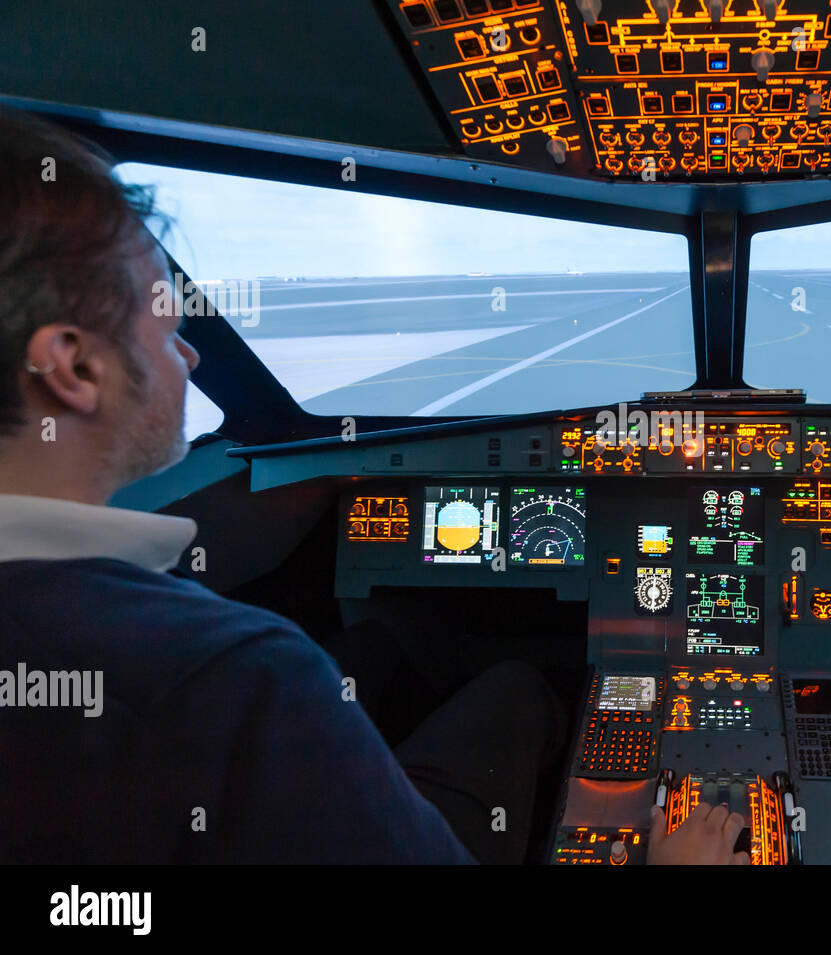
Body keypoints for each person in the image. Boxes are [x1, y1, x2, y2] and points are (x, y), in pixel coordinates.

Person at [0, 108, 747, 865]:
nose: (191, 358)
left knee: (397, 650)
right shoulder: (243, 674)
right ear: (74, 366)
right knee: (519, 687)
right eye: (167, 328)